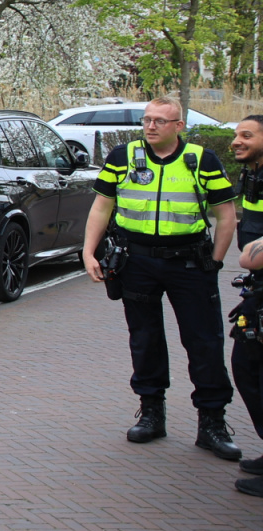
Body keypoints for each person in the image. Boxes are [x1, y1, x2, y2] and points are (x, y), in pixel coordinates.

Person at [82, 95, 240, 458]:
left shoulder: (201, 160)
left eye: (160, 121)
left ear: (179, 126)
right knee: (145, 337)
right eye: (147, 120)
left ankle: (212, 421)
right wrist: (89, 252)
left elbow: (225, 215)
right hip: (136, 262)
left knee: (204, 341)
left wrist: (214, 262)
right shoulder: (122, 157)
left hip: (188, 263)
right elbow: (102, 206)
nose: (151, 126)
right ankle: (152, 412)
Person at [227, 115, 263, 495]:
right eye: (237, 134)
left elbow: (250, 253)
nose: (237, 140)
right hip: (257, 291)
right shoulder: (252, 174)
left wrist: (252, 255)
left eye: (247, 135)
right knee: (247, 368)